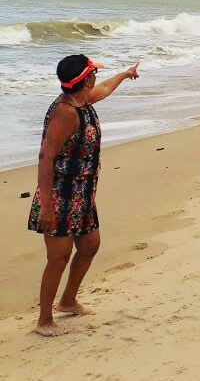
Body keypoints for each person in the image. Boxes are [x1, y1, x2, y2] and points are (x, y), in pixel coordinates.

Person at [28, 54, 139, 336]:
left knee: (89, 246)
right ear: (85, 78)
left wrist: (125, 75)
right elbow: (45, 158)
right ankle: (44, 320)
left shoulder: (83, 100)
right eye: (93, 73)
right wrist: (48, 206)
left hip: (82, 192)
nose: (96, 78)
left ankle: (67, 301)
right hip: (59, 194)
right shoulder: (65, 112)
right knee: (59, 256)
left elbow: (104, 91)